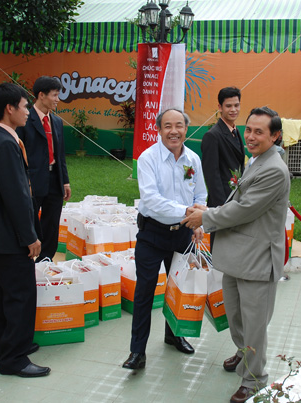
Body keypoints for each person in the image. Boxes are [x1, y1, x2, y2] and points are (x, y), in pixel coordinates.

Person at [182, 107, 291, 403]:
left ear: (275, 136)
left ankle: (254, 380)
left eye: (259, 132)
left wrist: (206, 217)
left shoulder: (274, 169)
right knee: (237, 317)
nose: (251, 137)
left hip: (257, 259)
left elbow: (245, 209)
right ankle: (244, 355)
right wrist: (210, 209)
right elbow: (239, 199)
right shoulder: (258, 159)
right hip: (239, 255)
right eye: (249, 130)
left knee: (254, 325)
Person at [122, 108, 207, 371]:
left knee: (178, 287)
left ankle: (174, 335)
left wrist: (198, 218)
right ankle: (137, 351)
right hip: (152, 233)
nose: (174, 131)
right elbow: (151, 200)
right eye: (168, 126)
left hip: (182, 233)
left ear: (186, 129)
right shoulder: (148, 158)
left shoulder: (192, 159)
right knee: (144, 293)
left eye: (179, 125)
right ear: (159, 130)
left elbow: (201, 194)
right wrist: (187, 211)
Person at [0, 83, 49, 377]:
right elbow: (16, 196)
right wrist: (29, 236)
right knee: (20, 297)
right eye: (24, 106)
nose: (28, 112)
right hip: (10, 236)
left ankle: (4, 347)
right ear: (9, 108)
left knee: (4, 295)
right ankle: (14, 358)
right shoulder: (5, 144)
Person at [17, 76, 71, 262]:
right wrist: (24, 181)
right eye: (54, 95)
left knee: (52, 222)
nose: (57, 99)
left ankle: (46, 259)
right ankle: (27, 258)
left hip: (54, 178)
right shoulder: (25, 120)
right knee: (30, 219)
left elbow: (60, 154)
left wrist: (65, 181)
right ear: (41, 95)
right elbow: (19, 154)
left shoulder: (56, 122)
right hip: (33, 180)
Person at [201, 87, 245, 249]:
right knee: (221, 246)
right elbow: (211, 175)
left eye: (236, 105)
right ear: (220, 107)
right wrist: (222, 207)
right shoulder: (212, 135)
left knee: (235, 245)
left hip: (237, 199)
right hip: (222, 202)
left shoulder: (236, 131)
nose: (233, 110)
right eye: (228, 106)